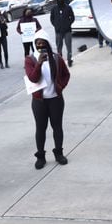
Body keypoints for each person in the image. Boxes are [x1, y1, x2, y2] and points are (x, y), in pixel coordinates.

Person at [24, 29, 70, 169]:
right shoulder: (30, 59)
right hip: (39, 101)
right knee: (40, 128)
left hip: (55, 99)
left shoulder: (56, 58)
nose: (40, 46)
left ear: (48, 44)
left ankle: (58, 153)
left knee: (57, 127)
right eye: (37, 43)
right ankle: (41, 156)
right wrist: (39, 63)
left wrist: (60, 87)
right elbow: (33, 78)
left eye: (43, 43)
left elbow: (66, 74)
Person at [50, 0, 75, 67]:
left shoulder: (68, 7)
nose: (60, 0)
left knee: (69, 46)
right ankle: (60, 60)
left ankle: (69, 59)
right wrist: (56, 25)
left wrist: (68, 24)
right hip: (58, 31)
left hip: (67, 30)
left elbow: (72, 17)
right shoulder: (54, 9)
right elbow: (52, 19)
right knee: (59, 47)